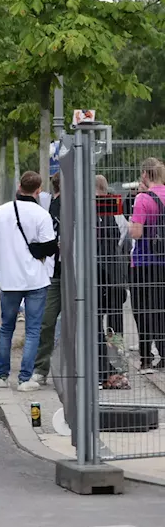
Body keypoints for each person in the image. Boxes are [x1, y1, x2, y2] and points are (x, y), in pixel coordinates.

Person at [0, 171, 57, 392]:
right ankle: (25, 378)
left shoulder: (2, 211)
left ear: (19, 186)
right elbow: (50, 247)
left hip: (9, 279)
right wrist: (36, 251)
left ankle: (1, 375)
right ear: (38, 190)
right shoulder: (41, 215)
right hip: (36, 279)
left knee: (6, 328)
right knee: (33, 330)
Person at [127, 157, 165, 372]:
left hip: (143, 262)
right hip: (164, 262)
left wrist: (134, 221)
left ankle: (146, 356)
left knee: (142, 310)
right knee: (161, 308)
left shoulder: (143, 198)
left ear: (144, 175)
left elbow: (136, 232)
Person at [95, 175, 129, 389]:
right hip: (114, 274)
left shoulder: (86, 208)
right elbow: (123, 234)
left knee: (96, 320)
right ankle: (118, 364)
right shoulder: (115, 207)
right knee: (115, 323)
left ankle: (100, 365)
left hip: (95, 273)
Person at [33, 173, 63, 385]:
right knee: (47, 322)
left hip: (56, 272)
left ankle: (41, 369)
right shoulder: (52, 207)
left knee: (46, 322)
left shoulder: (51, 206)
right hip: (62, 272)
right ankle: (42, 367)